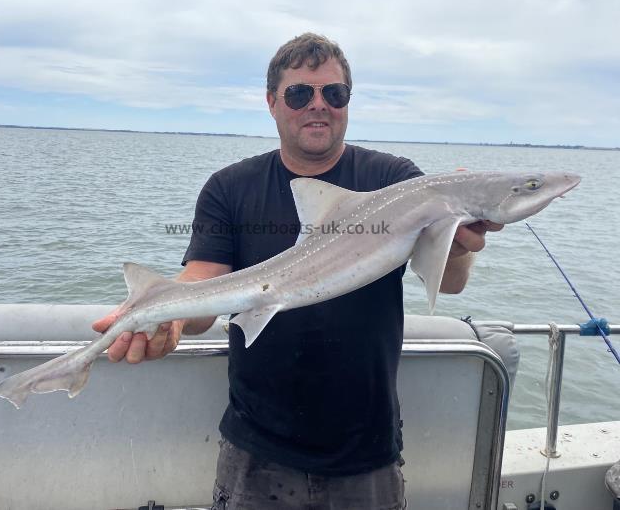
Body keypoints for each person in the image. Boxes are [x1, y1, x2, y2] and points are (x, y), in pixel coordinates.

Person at [92, 33, 502, 509]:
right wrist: (172, 315)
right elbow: (203, 281)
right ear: (271, 102)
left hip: (366, 445)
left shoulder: (394, 180)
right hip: (256, 444)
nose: (318, 105)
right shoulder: (229, 188)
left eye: (334, 93)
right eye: (300, 93)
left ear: (348, 101)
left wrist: (460, 239)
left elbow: (452, 284)